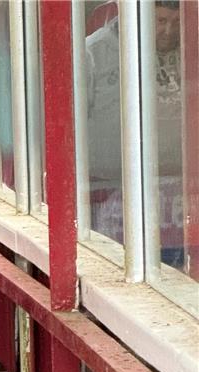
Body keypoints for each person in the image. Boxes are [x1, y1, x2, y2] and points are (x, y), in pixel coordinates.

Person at [85, 1, 184, 267]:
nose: (169, 31)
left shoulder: (190, 51)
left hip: (180, 201)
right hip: (111, 200)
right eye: (161, 21)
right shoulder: (94, 53)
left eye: (176, 22)